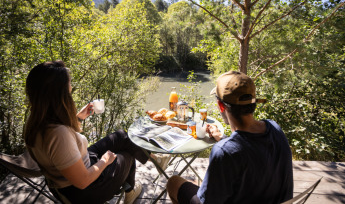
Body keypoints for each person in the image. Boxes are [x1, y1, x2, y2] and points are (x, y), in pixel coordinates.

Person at [24, 61, 170, 204]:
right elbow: (83, 181)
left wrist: (79, 118)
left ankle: (156, 160)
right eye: (69, 83)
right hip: (86, 190)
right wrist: (104, 161)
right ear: (59, 93)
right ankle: (131, 192)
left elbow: (61, 147)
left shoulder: (36, 121)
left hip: (75, 171)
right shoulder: (58, 134)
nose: (71, 87)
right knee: (127, 153)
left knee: (121, 136)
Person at [166, 71, 293, 204]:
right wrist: (223, 138)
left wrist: (225, 144)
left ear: (221, 106)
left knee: (174, 182)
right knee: (199, 182)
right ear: (253, 102)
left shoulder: (223, 152)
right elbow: (249, 148)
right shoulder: (274, 128)